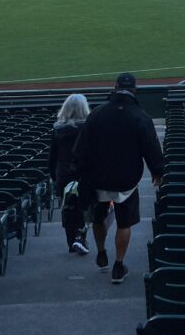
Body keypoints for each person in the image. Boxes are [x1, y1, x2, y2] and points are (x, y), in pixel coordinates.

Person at [72, 73, 164, 284]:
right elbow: (151, 148)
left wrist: (79, 172)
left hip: (98, 178)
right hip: (126, 179)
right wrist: (158, 170)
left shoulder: (97, 114)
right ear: (134, 90)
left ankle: (102, 252)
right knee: (124, 222)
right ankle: (118, 265)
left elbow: (81, 149)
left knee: (98, 216)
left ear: (114, 87)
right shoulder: (140, 116)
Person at [50, 94, 91, 254]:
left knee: (67, 207)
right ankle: (80, 238)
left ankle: (72, 241)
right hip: (83, 173)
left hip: (64, 174)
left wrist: (54, 176)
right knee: (82, 206)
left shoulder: (58, 129)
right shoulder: (87, 128)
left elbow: (53, 157)